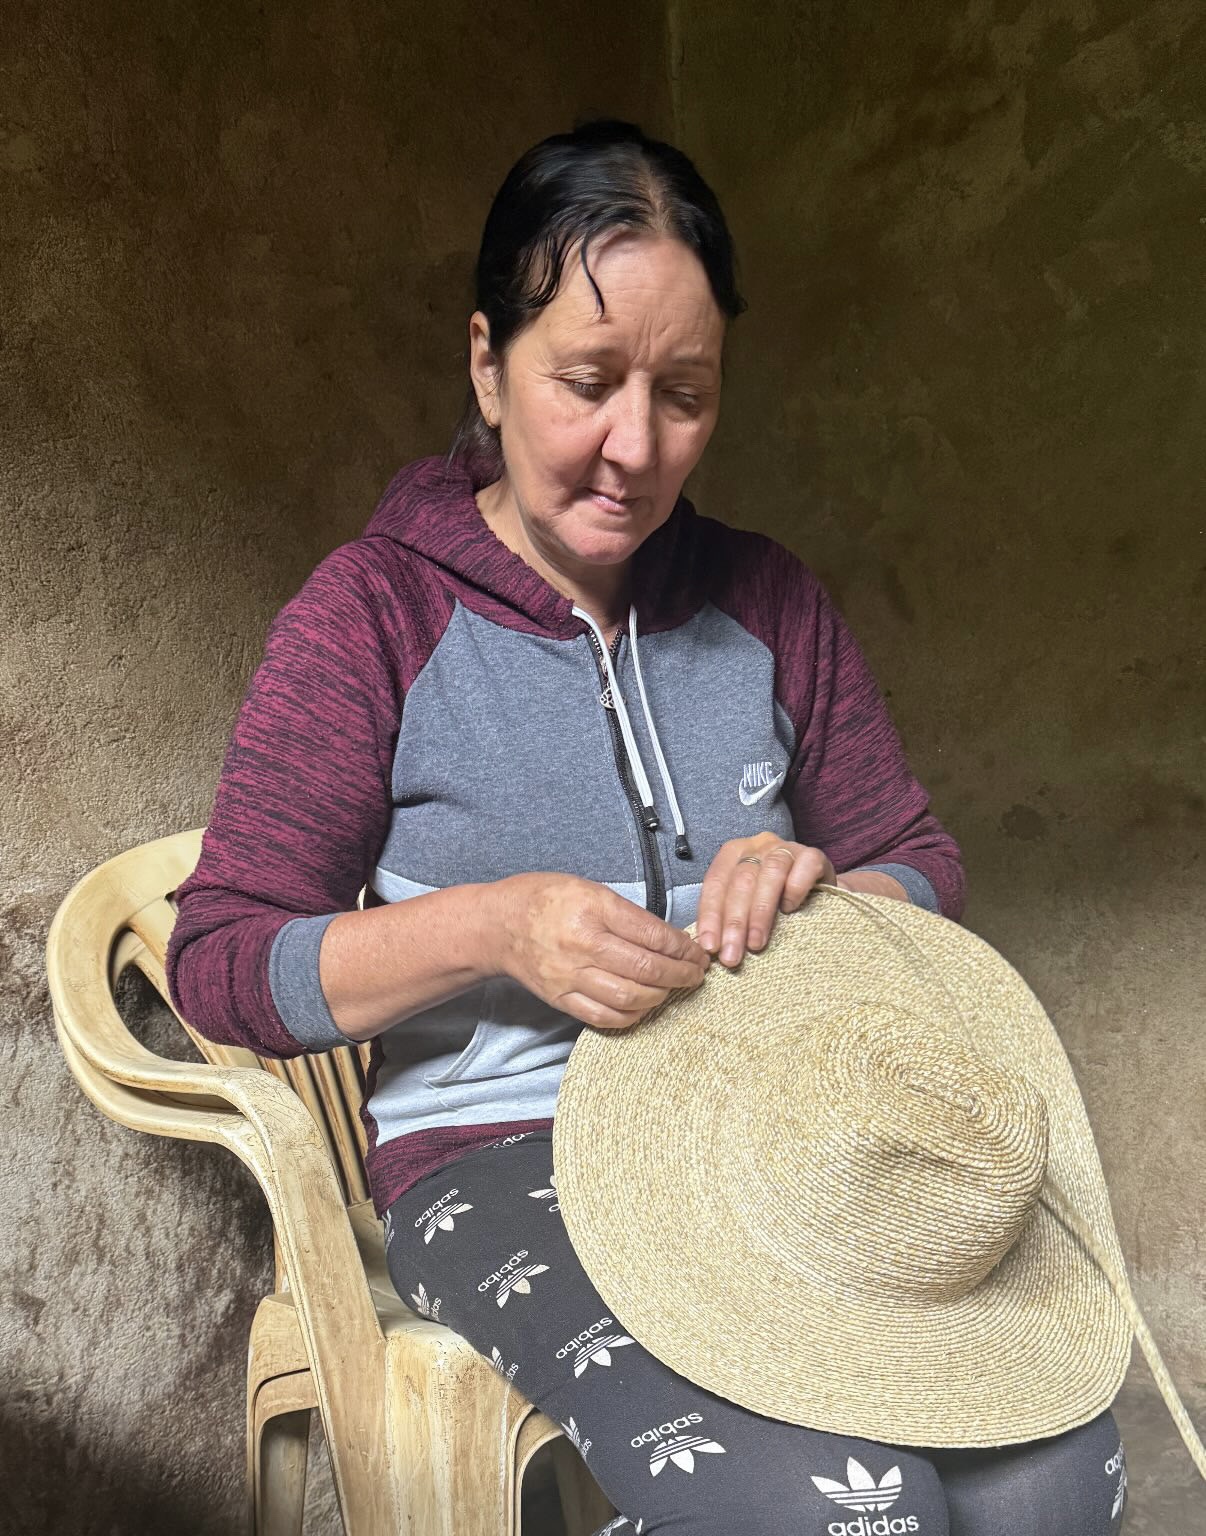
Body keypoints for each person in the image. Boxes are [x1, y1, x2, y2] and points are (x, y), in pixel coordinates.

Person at [165, 120, 1126, 1534]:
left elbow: (922, 863)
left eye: (683, 395)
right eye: (586, 383)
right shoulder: (373, 615)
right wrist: (491, 928)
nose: (634, 448)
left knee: (1051, 1471)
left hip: (777, 1145)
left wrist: (825, 897)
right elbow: (221, 964)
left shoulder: (769, 603)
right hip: (503, 1156)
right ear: (486, 364)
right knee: (838, 1510)